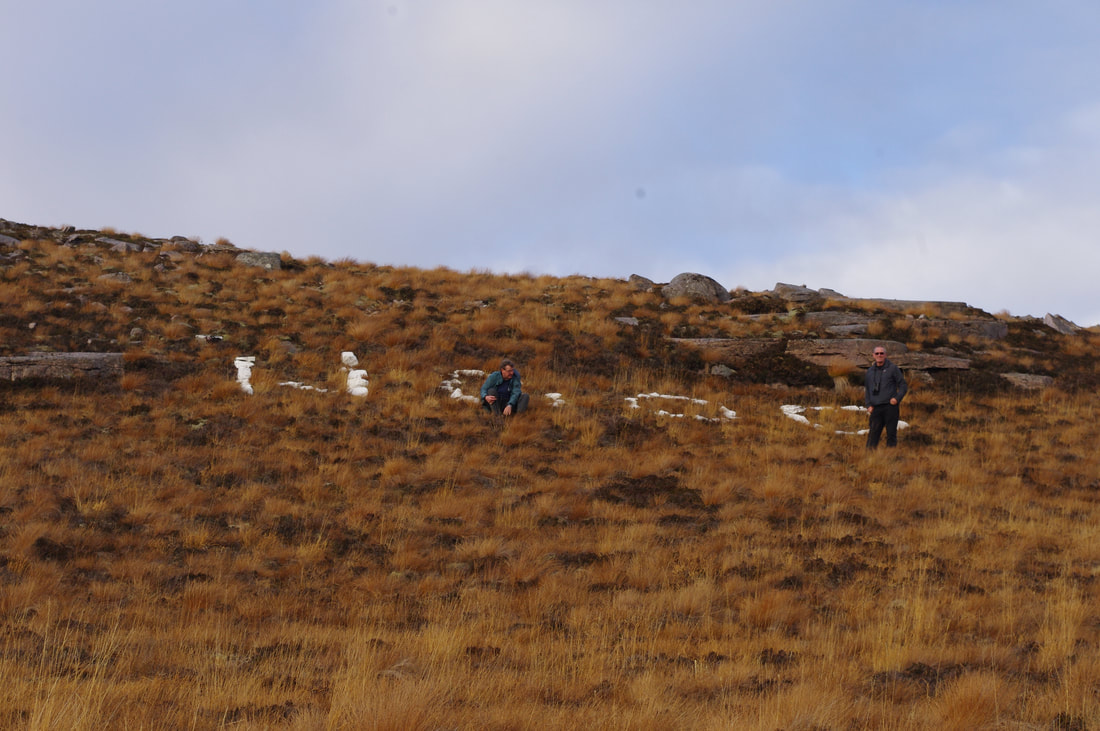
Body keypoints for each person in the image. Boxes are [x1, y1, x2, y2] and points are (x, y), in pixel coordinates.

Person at [865, 346, 907, 448]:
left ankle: (890, 457)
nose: (879, 355)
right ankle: (869, 458)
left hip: (890, 407)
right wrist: (868, 405)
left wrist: (897, 399)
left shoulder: (893, 368)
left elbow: (903, 385)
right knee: (873, 434)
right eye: (877, 353)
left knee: (891, 434)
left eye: (882, 353)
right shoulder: (870, 371)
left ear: (885, 355)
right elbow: (867, 389)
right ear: (873, 355)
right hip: (876, 407)